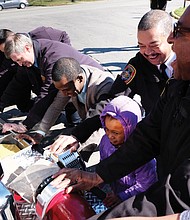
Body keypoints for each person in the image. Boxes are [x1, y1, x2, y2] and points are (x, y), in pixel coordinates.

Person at [49, 5, 190, 219]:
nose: (172, 39)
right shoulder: (173, 81)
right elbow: (145, 133)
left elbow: (178, 195)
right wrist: (98, 174)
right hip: (164, 161)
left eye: (179, 32)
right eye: (141, 45)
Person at [43, 9, 175, 154]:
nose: (147, 52)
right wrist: (77, 134)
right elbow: (110, 101)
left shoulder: (184, 62)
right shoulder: (138, 65)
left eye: (154, 44)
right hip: (159, 136)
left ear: (171, 37)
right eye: (141, 45)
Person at [2, 33, 104, 134]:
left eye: (20, 59)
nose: (20, 64)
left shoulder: (52, 58)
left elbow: (47, 94)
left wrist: (26, 125)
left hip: (92, 87)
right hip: (72, 89)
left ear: (27, 48)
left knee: (94, 123)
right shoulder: (31, 55)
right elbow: (18, 83)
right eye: (16, 62)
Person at [98, 95, 157, 208]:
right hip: (117, 194)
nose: (110, 136)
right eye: (106, 129)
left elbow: (147, 184)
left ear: (130, 129)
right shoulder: (105, 142)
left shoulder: (142, 154)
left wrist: (122, 196)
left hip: (137, 202)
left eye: (116, 132)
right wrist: (99, 181)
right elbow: (103, 163)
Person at [0, 27, 72, 112]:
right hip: (38, 64)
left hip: (61, 64)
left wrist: (66, 57)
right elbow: (15, 81)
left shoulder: (43, 36)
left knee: (59, 91)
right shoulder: (22, 58)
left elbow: (47, 90)